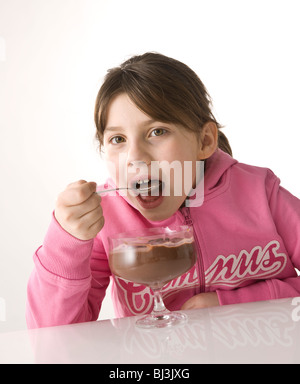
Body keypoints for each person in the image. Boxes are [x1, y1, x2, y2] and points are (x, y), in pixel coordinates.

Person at [26, 52, 300, 328]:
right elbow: (53, 336)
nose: (136, 157)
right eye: (118, 139)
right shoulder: (106, 220)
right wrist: (65, 241)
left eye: (157, 132)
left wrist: (230, 304)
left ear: (204, 140)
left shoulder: (260, 194)